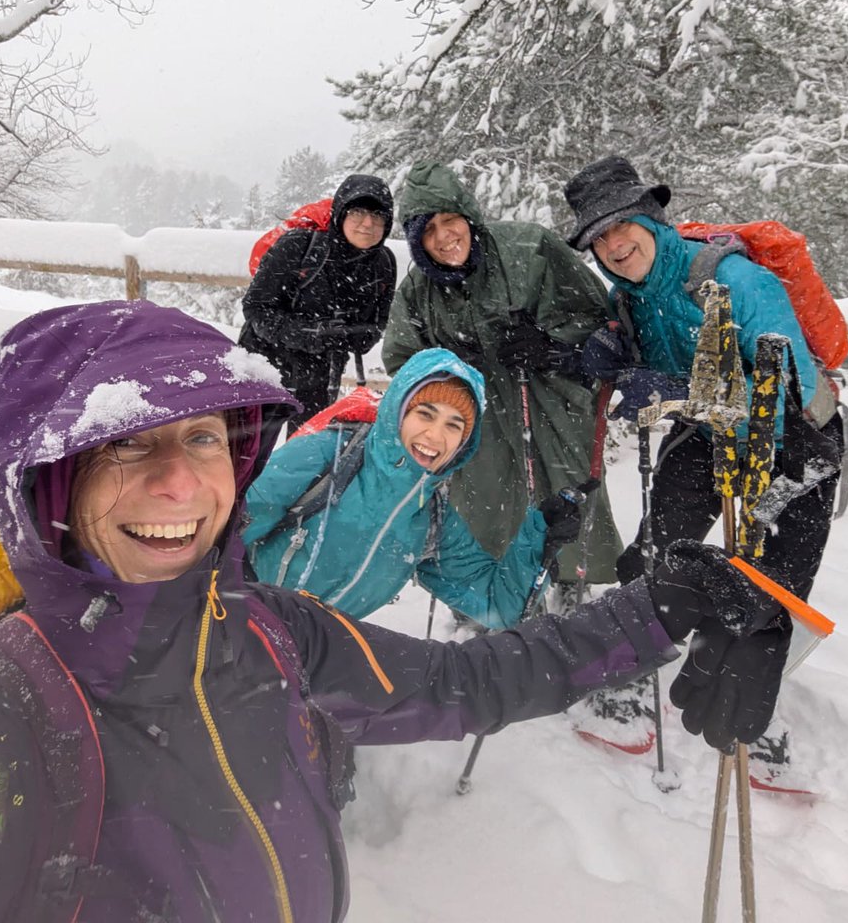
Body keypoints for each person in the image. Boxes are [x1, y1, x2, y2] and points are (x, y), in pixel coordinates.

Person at [0, 299, 785, 920]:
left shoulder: (294, 622)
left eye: (204, 438)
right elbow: (243, 519)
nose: (180, 482)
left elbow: (480, 650)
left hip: (305, 676)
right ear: (46, 476)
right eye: (127, 441)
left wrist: (646, 595)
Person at [564, 155, 844, 746]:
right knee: (655, 552)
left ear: (652, 218)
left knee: (768, 592)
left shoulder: (739, 280)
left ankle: (754, 719)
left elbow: (786, 392)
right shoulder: (631, 298)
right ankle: (630, 667)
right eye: (598, 238)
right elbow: (666, 363)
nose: (613, 245)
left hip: (797, 442)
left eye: (621, 226)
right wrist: (617, 354)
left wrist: (672, 390)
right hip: (708, 431)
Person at [382, 159, 620, 589]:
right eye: (428, 230)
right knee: (486, 505)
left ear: (469, 216)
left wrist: (551, 345)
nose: (444, 236)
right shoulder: (418, 291)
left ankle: (575, 582)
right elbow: (403, 359)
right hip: (478, 418)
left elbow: (596, 318)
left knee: (566, 493)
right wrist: (446, 376)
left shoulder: (528, 249)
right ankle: (493, 594)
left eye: (450, 220)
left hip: (550, 401)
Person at [242, 348, 571, 626]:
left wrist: (540, 539)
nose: (435, 435)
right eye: (425, 414)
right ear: (398, 411)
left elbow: (496, 605)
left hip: (314, 662)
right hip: (241, 631)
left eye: (453, 425)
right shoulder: (327, 456)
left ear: (464, 442)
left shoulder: (431, 517)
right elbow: (225, 531)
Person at [241, 173, 397, 431]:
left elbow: (377, 322)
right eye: (357, 212)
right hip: (265, 365)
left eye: (378, 215)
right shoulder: (300, 246)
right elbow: (256, 308)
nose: (368, 223)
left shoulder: (383, 263)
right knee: (248, 447)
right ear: (341, 213)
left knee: (304, 448)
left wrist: (356, 335)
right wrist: (307, 333)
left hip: (320, 376)